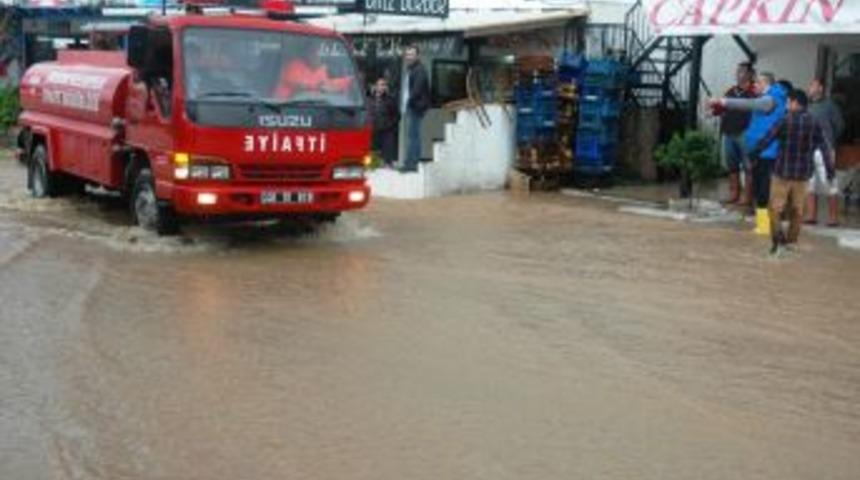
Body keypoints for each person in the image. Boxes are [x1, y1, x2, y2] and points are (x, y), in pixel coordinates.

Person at [751, 89, 832, 254]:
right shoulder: (814, 122)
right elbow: (824, 147)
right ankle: (791, 243)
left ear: (795, 102)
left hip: (782, 173)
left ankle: (777, 242)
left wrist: (754, 153)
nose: (787, 105)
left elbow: (767, 139)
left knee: (774, 208)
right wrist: (829, 170)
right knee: (797, 210)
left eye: (788, 102)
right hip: (802, 175)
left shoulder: (784, 120)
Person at [711, 72, 789, 235]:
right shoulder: (769, 98)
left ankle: (766, 226)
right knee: (761, 189)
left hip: (767, 153)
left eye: (758, 82)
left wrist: (723, 101)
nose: (755, 85)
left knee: (763, 190)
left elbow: (749, 104)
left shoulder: (770, 100)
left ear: (766, 83)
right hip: (761, 151)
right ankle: (763, 226)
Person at [712, 62, 756, 205]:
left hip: (745, 133)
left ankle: (747, 196)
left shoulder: (754, 92)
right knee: (732, 165)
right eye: (737, 71)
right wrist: (714, 108)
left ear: (750, 74)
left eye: (742, 71)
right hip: (729, 132)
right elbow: (721, 107)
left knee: (748, 166)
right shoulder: (731, 91)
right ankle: (734, 193)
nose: (738, 74)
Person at [805, 78, 845, 226]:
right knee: (810, 183)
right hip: (808, 149)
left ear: (820, 88)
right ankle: (811, 216)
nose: (810, 87)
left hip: (825, 149)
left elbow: (840, 126)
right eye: (810, 85)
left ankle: (833, 218)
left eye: (813, 85)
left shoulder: (830, 105)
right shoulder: (806, 105)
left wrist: (830, 142)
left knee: (830, 183)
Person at [274, 44, 353, 100]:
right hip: (285, 107)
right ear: (306, 54)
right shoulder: (294, 65)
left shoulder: (321, 69)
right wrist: (320, 87)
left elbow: (329, 83)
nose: (318, 57)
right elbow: (299, 85)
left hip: (311, 107)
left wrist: (347, 81)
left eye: (319, 54)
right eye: (314, 53)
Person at [399, 45, 431, 173]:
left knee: (413, 136)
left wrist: (409, 102)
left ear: (417, 56)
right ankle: (411, 162)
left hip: (416, 107)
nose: (409, 57)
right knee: (412, 135)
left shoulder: (419, 70)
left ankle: (411, 164)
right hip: (412, 106)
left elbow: (416, 90)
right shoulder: (412, 69)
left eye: (412, 54)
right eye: (407, 54)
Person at [368, 78, 400, 168]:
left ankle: (388, 163)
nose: (382, 87)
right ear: (376, 86)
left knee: (388, 147)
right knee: (372, 148)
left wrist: (390, 124)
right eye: (380, 85)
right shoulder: (370, 99)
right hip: (373, 128)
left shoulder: (390, 100)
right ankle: (372, 164)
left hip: (386, 129)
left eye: (384, 85)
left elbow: (397, 116)